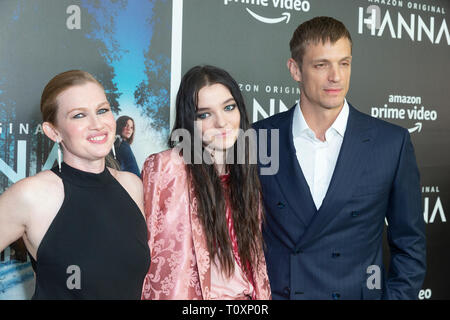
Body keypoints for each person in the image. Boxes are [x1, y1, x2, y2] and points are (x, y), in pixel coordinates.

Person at [253, 16, 426, 300]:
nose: (336, 76)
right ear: (295, 69)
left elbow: (410, 243)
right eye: (322, 65)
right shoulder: (260, 139)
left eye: (344, 63)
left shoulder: (390, 143)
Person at [0, 70, 150, 299]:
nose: (97, 124)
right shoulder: (31, 195)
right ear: (53, 131)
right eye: (79, 115)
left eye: (102, 110)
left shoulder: (131, 186)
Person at [141, 65, 271, 300]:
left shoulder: (246, 173)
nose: (222, 122)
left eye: (229, 107)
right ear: (189, 120)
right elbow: (149, 253)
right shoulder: (167, 166)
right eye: (205, 114)